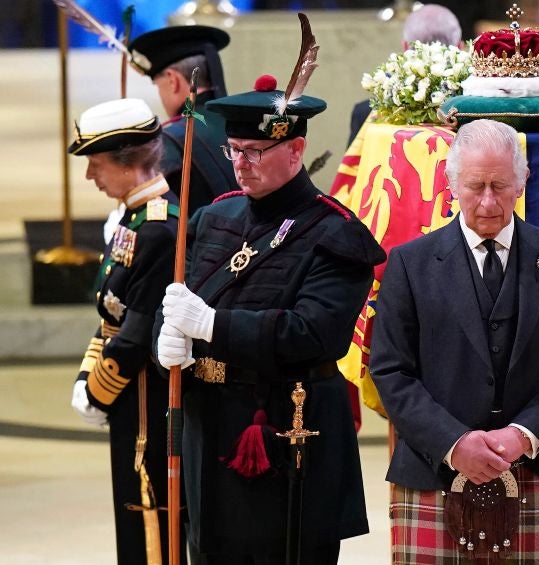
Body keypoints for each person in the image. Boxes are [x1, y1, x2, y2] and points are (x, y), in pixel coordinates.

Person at [154, 73, 385, 563]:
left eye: (254, 152)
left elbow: (313, 334)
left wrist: (213, 327)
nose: (240, 164)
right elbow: (178, 302)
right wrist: (165, 341)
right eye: (233, 150)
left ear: (296, 150)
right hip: (210, 431)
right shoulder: (214, 218)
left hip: (288, 439)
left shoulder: (336, 234)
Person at [369, 119, 539, 564]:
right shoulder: (409, 263)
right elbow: (390, 371)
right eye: (476, 186)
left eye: (501, 185)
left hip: (536, 467)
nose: (490, 201)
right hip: (433, 470)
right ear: (452, 184)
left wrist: (522, 435)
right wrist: (455, 444)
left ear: (523, 181)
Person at [68, 98, 183, 564]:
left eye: (96, 164)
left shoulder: (157, 228)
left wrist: (97, 390)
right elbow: (110, 319)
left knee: (147, 516)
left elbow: (135, 335)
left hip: (145, 405)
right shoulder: (132, 220)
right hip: (128, 398)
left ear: (129, 162)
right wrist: (85, 377)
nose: (90, 177)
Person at [129, 24, 239, 214]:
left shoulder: (171, 138)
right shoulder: (246, 123)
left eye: (158, 85)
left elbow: (159, 220)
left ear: (173, 80)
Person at [347, 3, 463, 146]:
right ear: (460, 47)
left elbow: (353, 166)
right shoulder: (479, 115)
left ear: (405, 47)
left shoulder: (366, 115)